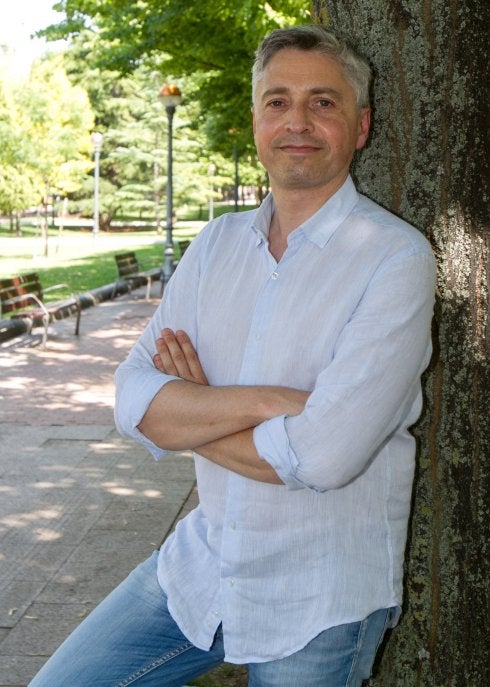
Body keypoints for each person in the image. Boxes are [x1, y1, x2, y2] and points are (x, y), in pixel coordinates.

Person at [30, 25, 436, 687]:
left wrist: (198, 408)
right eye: (277, 101)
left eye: (323, 102)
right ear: (255, 122)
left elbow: (326, 456)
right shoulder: (214, 245)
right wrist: (273, 404)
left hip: (321, 591)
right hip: (203, 563)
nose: (297, 121)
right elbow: (132, 399)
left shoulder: (395, 258)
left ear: (360, 127)